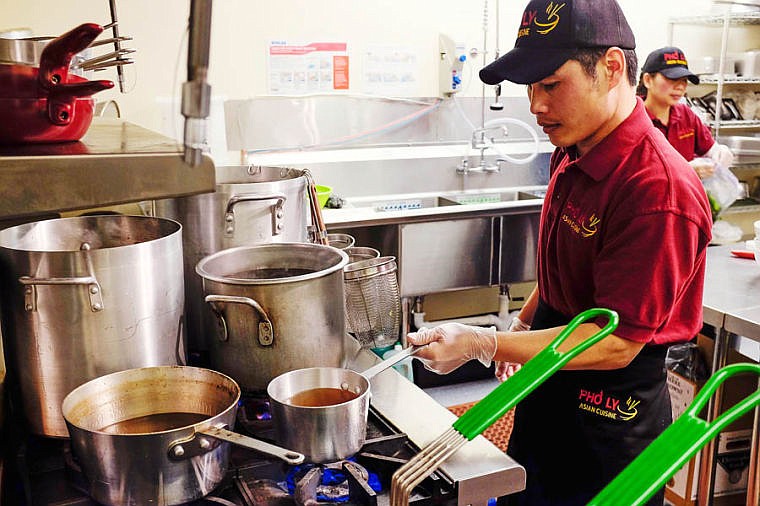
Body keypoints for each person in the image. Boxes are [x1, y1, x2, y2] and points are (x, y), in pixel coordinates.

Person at [406, 1, 713, 505]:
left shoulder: (657, 190)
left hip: (609, 409)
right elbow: (561, 274)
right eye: (531, 87)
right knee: (523, 488)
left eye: (551, 85)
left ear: (612, 68)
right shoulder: (573, 150)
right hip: (554, 372)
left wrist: (483, 343)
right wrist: (523, 326)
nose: (535, 105)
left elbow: (618, 343)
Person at [638, 46, 734, 178]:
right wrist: (685, 170)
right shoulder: (633, 119)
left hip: (684, 196)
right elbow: (633, 174)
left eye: (684, 80)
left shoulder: (686, 115)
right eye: (672, 79)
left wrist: (719, 153)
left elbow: (709, 148)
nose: (680, 86)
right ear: (648, 80)